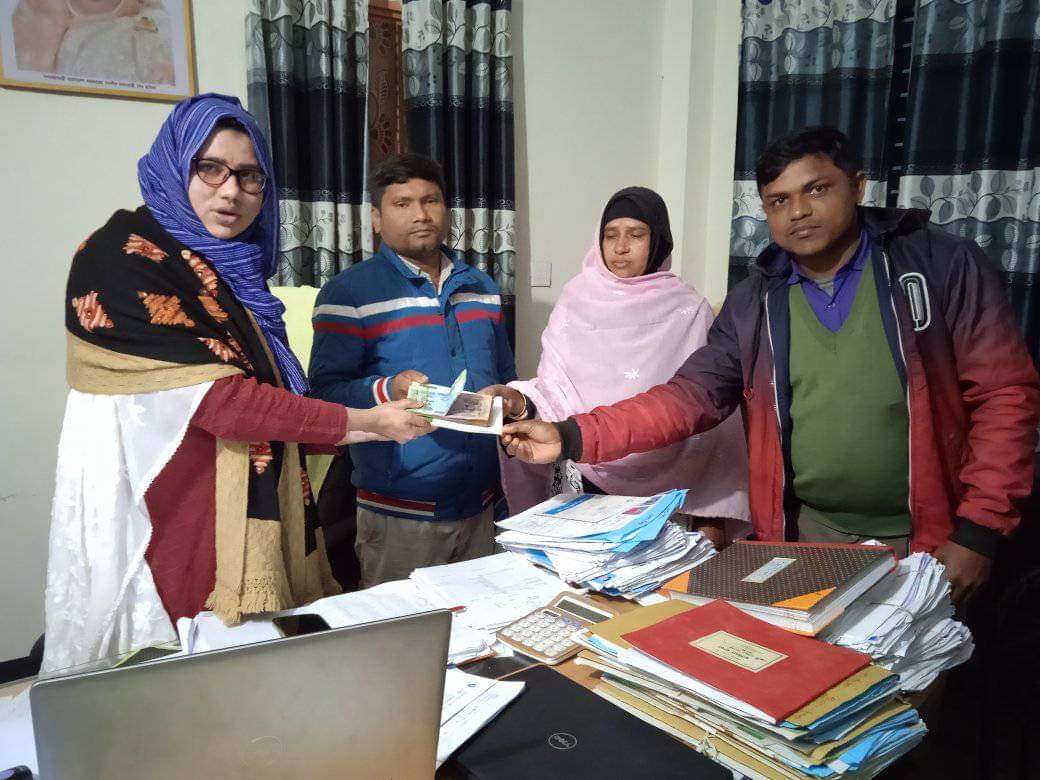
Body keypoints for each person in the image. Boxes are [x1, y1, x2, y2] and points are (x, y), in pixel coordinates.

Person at [502, 126, 1040, 604]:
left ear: (857, 186)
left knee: (919, 677)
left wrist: (979, 531)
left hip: (930, 534)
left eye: (817, 189)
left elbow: (1005, 396)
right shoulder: (756, 300)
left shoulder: (938, 267)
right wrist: (570, 436)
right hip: (801, 532)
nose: (798, 211)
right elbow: (689, 397)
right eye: (779, 200)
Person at [43, 94, 431, 674]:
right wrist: (365, 423)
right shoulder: (122, 256)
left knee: (248, 673)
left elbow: (275, 390)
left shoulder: (227, 268)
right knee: (175, 673)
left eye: (250, 176)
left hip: (246, 494)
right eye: (211, 169)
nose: (231, 192)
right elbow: (221, 401)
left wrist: (368, 416)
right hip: (170, 507)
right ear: (175, 165)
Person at [483, 187, 749, 547]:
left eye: (636, 235)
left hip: (667, 494)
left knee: (654, 576)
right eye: (610, 235)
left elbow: (709, 410)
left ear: (658, 241)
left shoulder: (689, 309)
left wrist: (711, 517)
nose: (621, 247)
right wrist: (519, 401)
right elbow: (555, 391)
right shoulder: (575, 301)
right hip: (580, 473)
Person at [309, 153, 517, 587]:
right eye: (402, 204)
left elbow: (506, 375)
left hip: (483, 506)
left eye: (431, 200)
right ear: (376, 218)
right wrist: (388, 388)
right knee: (401, 630)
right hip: (399, 515)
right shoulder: (348, 293)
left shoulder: (482, 288)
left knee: (485, 624)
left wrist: (512, 399)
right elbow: (325, 395)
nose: (420, 214)